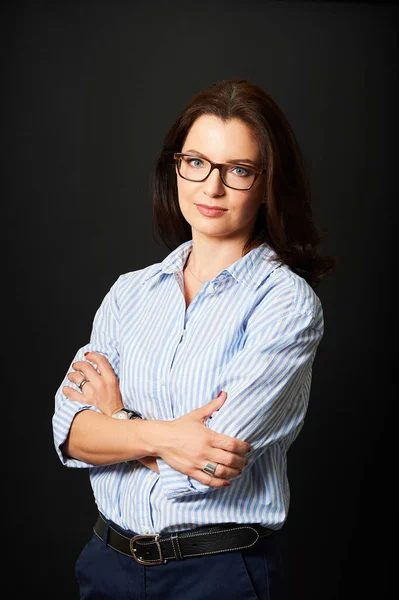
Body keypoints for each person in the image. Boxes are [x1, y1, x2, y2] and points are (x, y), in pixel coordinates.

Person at [52, 78, 336, 600]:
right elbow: (69, 433)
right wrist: (163, 438)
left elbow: (208, 462)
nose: (212, 187)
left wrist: (115, 422)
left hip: (216, 576)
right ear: (176, 167)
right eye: (196, 162)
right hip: (105, 566)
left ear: (269, 183)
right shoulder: (129, 293)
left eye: (239, 171)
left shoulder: (285, 304)